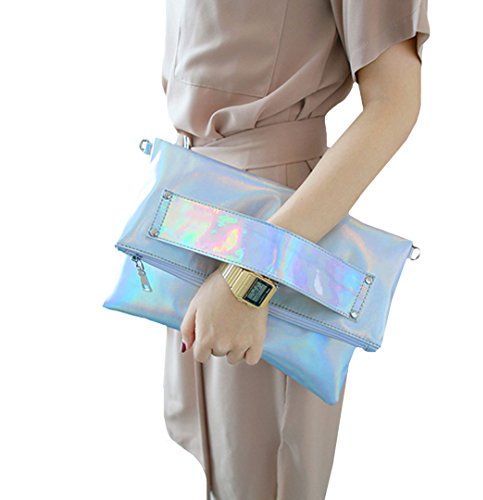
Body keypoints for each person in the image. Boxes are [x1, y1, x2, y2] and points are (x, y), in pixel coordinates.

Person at [161, 1, 431, 498]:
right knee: (227, 470)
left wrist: (252, 272)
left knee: (264, 477)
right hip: (200, 204)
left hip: (272, 218)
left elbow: (395, 102)